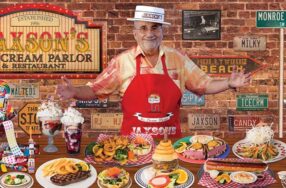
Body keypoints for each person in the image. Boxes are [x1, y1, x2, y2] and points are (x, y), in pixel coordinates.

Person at [56, 5, 251, 138]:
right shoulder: (122, 61)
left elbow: (205, 85)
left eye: (155, 28)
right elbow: (96, 89)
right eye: (143, 28)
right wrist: (74, 92)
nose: (149, 33)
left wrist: (229, 83)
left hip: (170, 143)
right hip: (132, 144)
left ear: (162, 31)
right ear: (135, 33)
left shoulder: (177, 59)